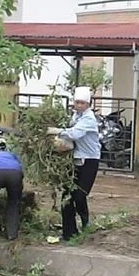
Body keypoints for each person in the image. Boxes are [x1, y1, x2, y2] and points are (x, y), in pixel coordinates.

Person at [48, 86, 101, 241]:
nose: (79, 105)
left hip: (89, 160)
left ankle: (85, 224)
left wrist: (57, 131)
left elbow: (74, 134)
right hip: (75, 160)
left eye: (82, 103)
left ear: (88, 104)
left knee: (80, 194)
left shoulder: (89, 119)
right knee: (67, 196)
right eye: (77, 102)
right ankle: (69, 233)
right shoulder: (75, 116)